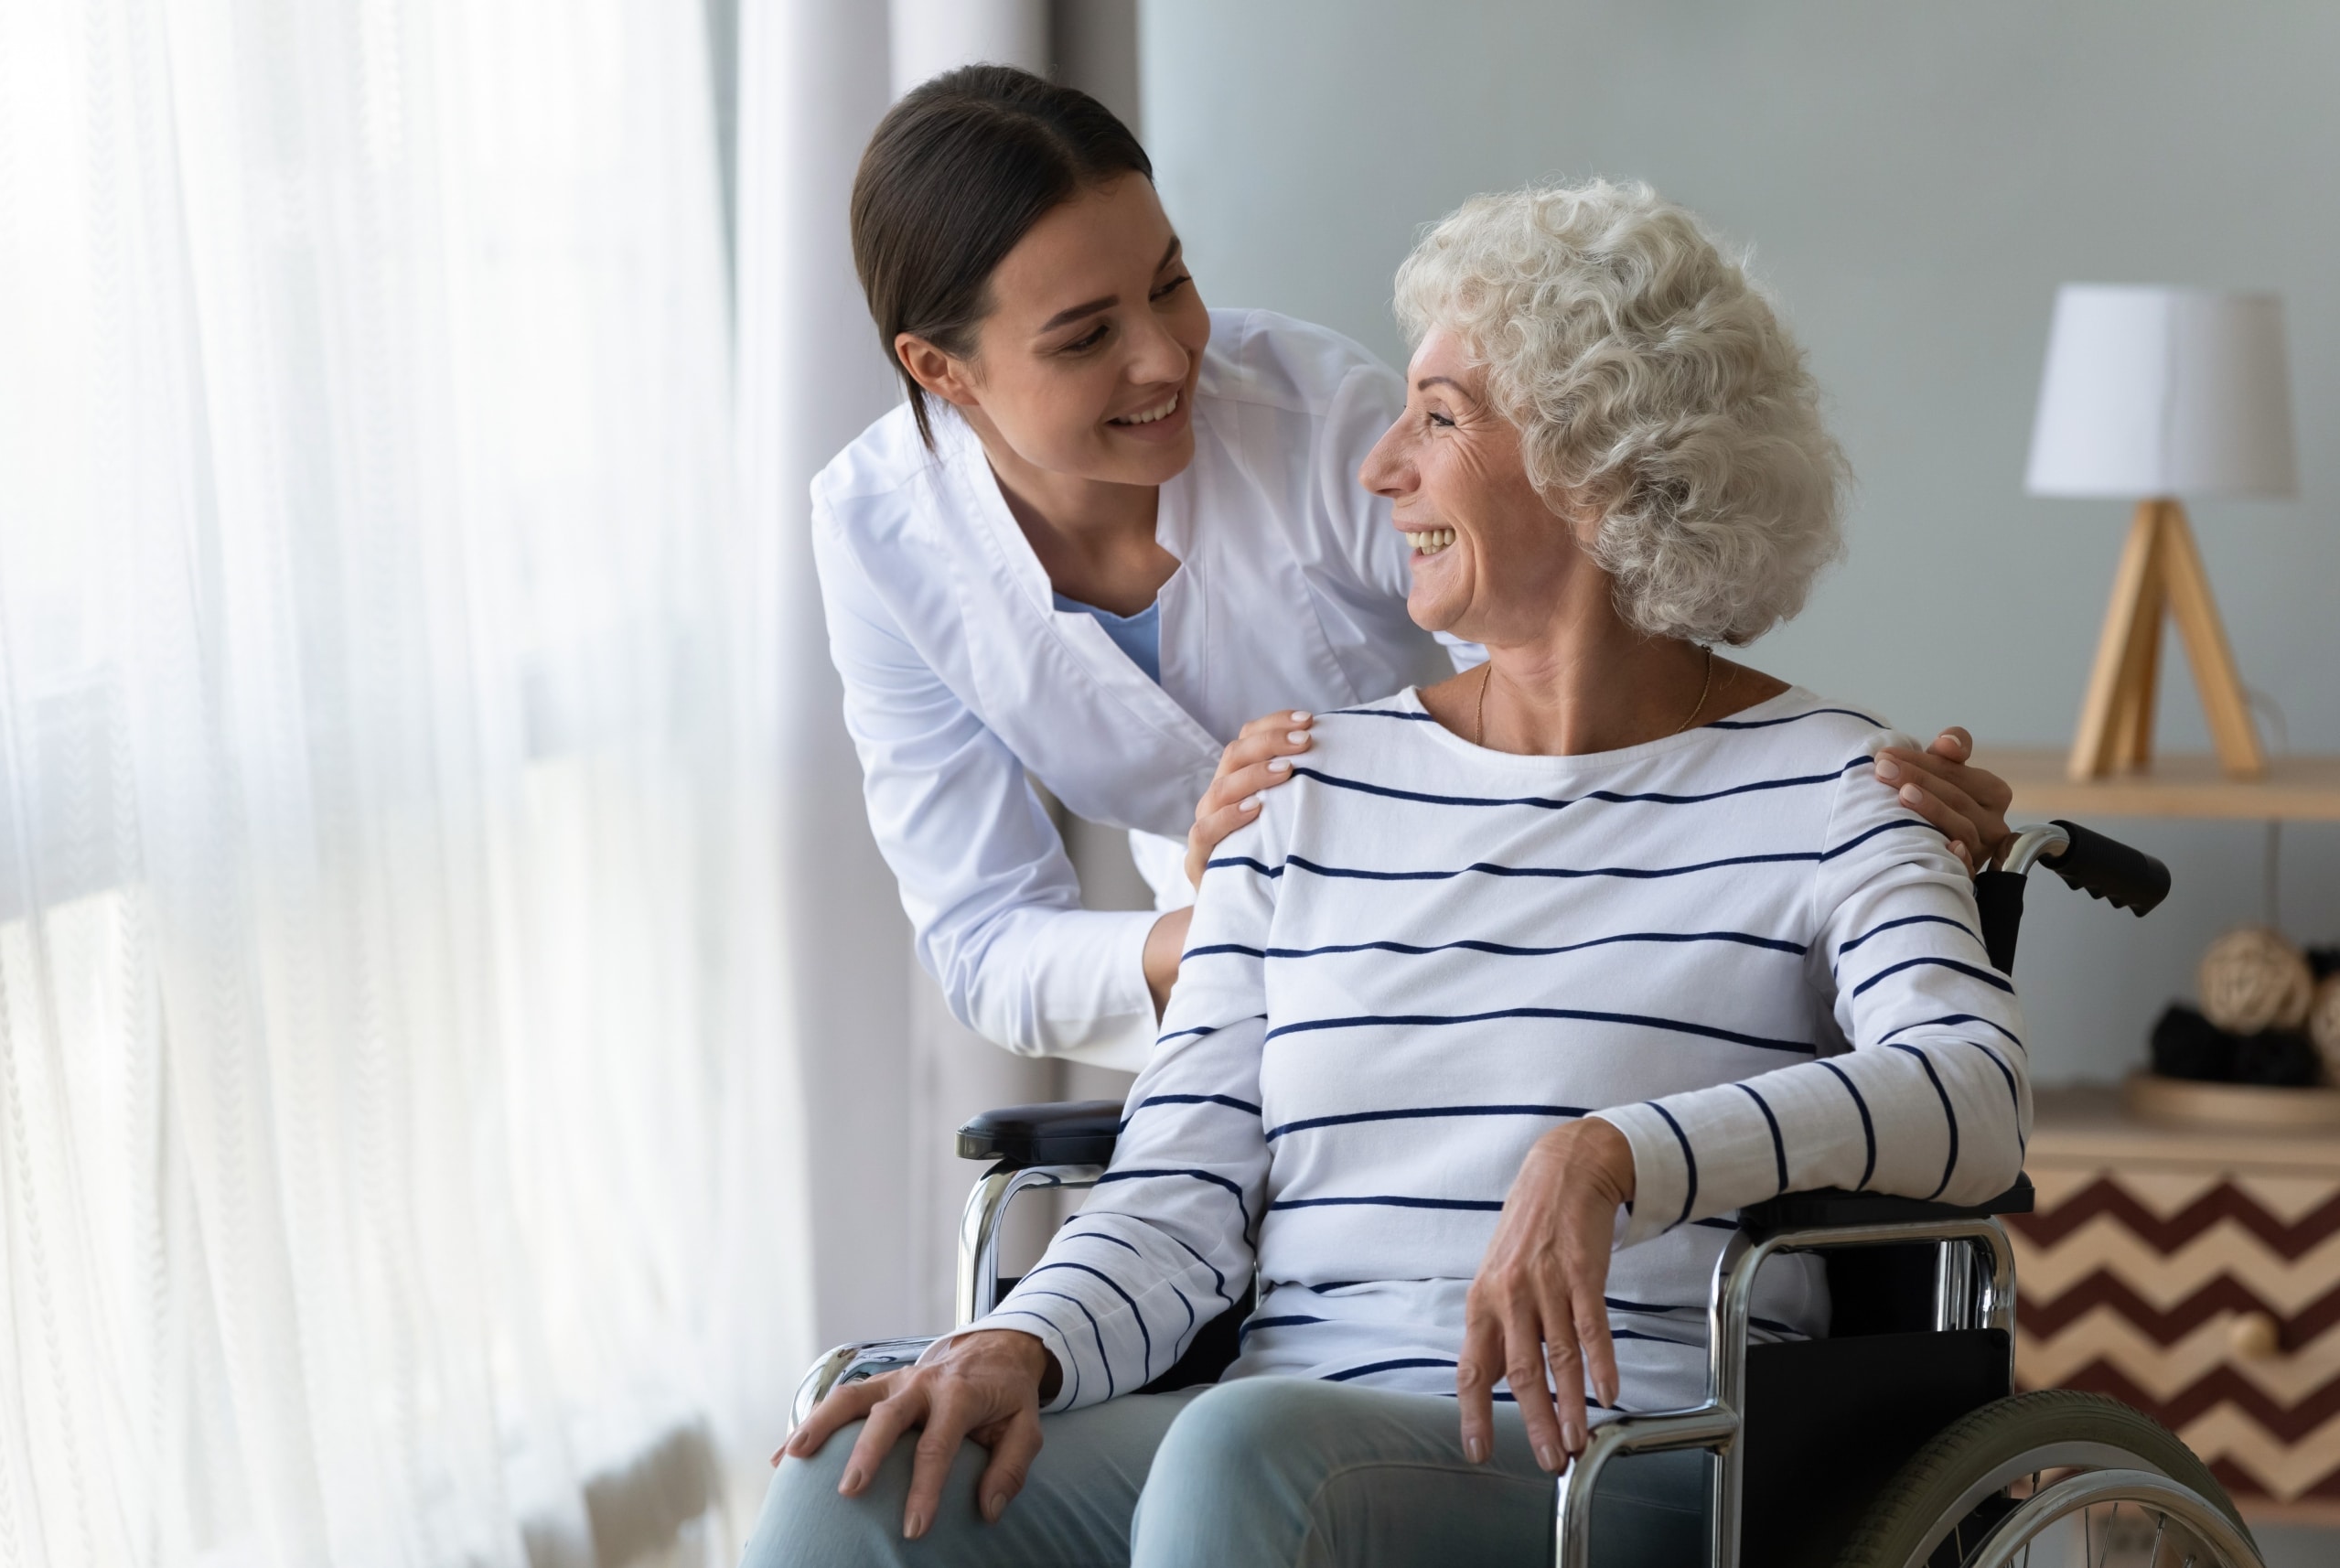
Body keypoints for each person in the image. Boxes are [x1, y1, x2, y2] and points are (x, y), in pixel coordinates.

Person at [754, 179, 2030, 1567]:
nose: (1379, 469)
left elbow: (1974, 1088)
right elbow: (1179, 1187)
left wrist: (1617, 1152)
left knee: (1251, 1463)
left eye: (1439, 416)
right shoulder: (1303, 787)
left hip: (1626, 1458)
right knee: (863, 1481)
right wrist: (1018, 1341)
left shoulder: (1836, 784)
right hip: (1270, 1434)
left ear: (1599, 462)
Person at [817, 67, 2013, 1068]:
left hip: (1530, 966)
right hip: (1251, 1017)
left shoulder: (1314, 415)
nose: (1168, 356)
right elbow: (986, 939)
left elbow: (1571, 693)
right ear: (942, 370)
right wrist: (1226, 926)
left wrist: (1829, 797)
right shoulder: (877, 539)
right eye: (1086, 335)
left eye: (1172, 282)